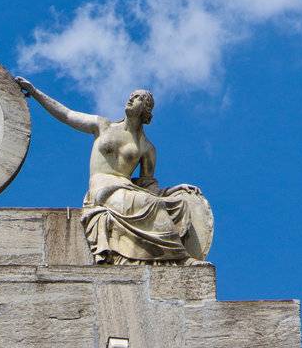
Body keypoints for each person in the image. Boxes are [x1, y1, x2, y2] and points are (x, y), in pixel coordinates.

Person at [14, 78, 212, 263]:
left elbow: (148, 185)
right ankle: (180, 257)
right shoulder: (103, 126)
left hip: (127, 189)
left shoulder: (146, 148)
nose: (131, 98)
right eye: (132, 95)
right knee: (149, 203)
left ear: (146, 109)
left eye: (137, 98)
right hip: (103, 188)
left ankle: (177, 256)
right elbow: (67, 114)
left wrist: (173, 190)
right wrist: (35, 92)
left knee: (168, 203)